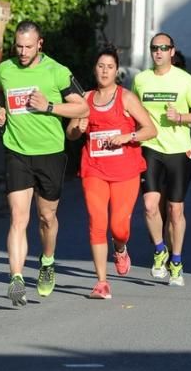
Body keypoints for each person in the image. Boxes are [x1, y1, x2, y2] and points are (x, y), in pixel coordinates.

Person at [0, 20, 88, 306]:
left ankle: (47, 261)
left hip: (50, 152)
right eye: (18, 47)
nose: (22, 52)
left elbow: (82, 106)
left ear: (40, 45)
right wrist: (0, 111)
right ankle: (17, 278)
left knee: (46, 217)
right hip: (16, 151)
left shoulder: (57, 71)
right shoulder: (5, 69)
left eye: (28, 47)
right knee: (18, 218)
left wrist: (48, 106)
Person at [66, 47, 157, 299]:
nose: (104, 71)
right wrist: (79, 127)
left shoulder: (125, 98)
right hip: (94, 168)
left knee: (119, 226)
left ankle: (120, 247)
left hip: (125, 170)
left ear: (116, 71)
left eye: (109, 67)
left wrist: (127, 136)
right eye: (100, 66)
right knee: (97, 222)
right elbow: (71, 134)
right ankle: (102, 282)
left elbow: (151, 129)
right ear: (94, 69)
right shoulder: (84, 98)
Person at [133, 32, 191, 286]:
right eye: (154, 48)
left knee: (176, 210)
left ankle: (176, 260)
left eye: (164, 48)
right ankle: (159, 250)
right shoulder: (141, 80)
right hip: (150, 147)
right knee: (150, 205)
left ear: (172, 52)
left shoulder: (185, 80)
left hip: (179, 150)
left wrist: (182, 118)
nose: (158, 52)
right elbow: (132, 111)